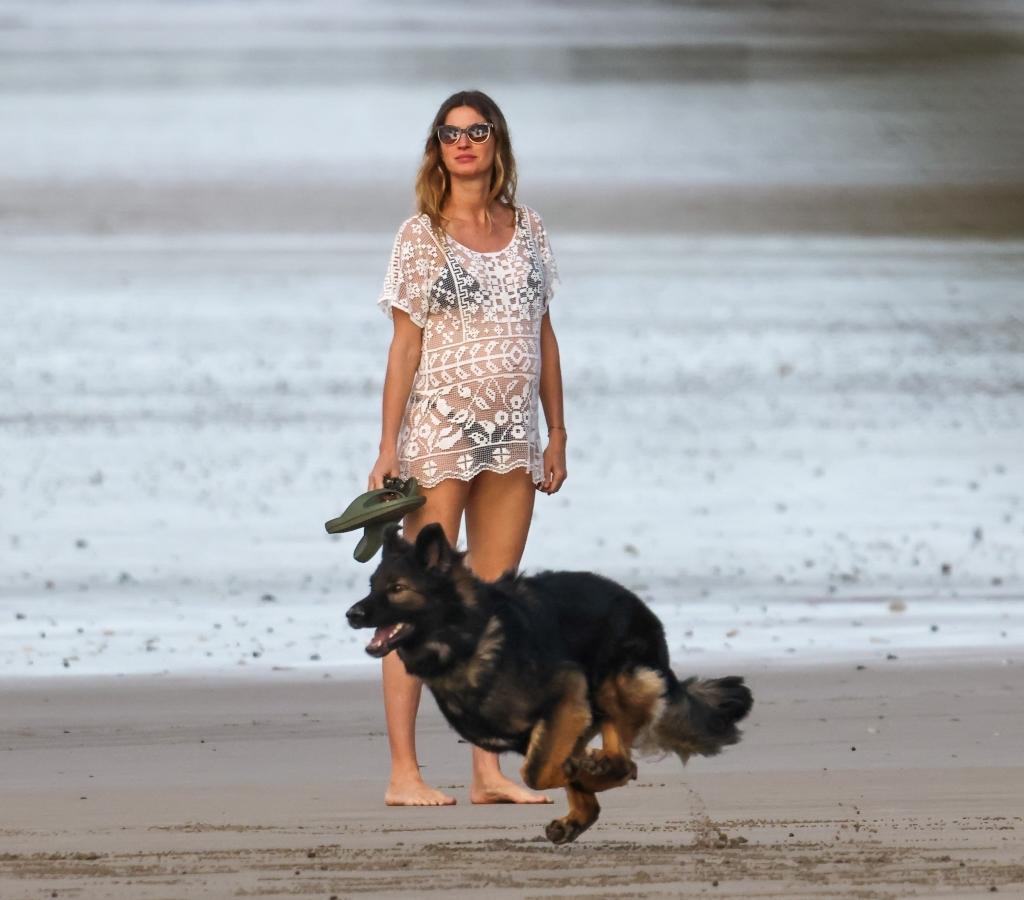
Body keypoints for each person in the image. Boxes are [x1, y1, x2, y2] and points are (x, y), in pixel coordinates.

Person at [368, 90, 567, 806]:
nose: (463, 142)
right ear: (437, 148)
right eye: (450, 133)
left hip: (514, 439)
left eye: (476, 130)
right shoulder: (420, 236)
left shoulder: (531, 229)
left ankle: (487, 773)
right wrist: (387, 445)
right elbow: (403, 346)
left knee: (490, 606)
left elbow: (542, 335)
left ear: (495, 142)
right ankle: (404, 774)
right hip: (441, 435)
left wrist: (558, 433)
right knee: (415, 603)